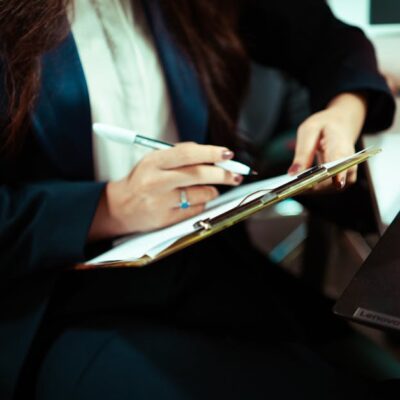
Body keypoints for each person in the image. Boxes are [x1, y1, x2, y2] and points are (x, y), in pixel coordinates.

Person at [0, 0, 398, 399]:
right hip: (58, 303)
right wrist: (108, 207)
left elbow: (328, 40)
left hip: (205, 262)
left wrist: (344, 112)